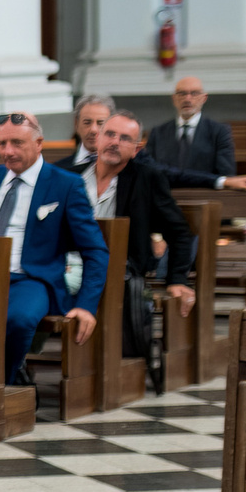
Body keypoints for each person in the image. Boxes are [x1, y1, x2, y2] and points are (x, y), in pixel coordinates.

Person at [0, 112, 108, 388]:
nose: (8, 151)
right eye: (2, 144)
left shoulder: (65, 184)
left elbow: (95, 250)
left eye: (17, 143)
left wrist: (86, 305)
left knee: (19, 319)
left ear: (39, 143)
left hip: (32, 278)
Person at [87, 112, 199, 360]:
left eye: (125, 138)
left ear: (136, 149)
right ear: (98, 139)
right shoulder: (69, 175)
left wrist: (177, 279)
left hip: (118, 268)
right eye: (110, 134)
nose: (115, 142)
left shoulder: (147, 179)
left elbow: (179, 233)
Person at [148, 75, 244, 187]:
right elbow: (150, 172)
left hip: (206, 198)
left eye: (194, 93)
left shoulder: (219, 131)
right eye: (182, 94)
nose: (187, 99)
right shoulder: (158, 133)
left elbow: (226, 175)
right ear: (174, 99)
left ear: (204, 98)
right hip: (165, 196)